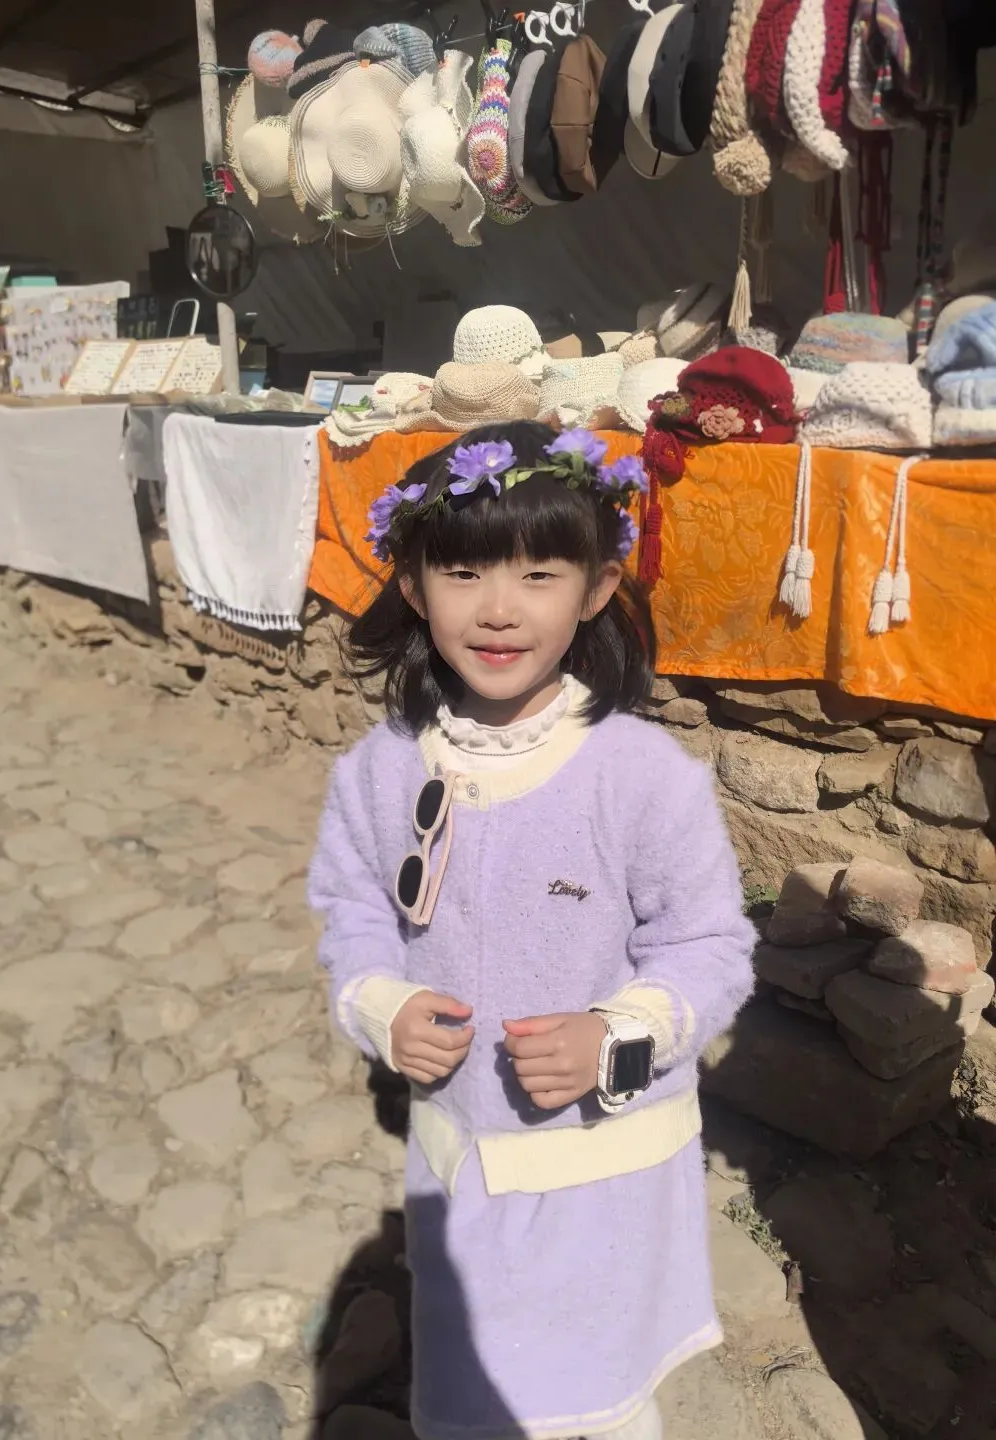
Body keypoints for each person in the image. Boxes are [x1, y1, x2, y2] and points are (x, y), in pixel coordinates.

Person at [308, 421, 755, 1440]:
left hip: (605, 1176)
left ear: (597, 589)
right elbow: (356, 910)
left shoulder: (640, 778)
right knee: (474, 1394)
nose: (500, 609)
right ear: (413, 586)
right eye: (464, 573)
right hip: (461, 1165)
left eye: (540, 574)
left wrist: (617, 1037)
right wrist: (382, 1004)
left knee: (608, 1395)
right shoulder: (383, 770)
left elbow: (708, 946)